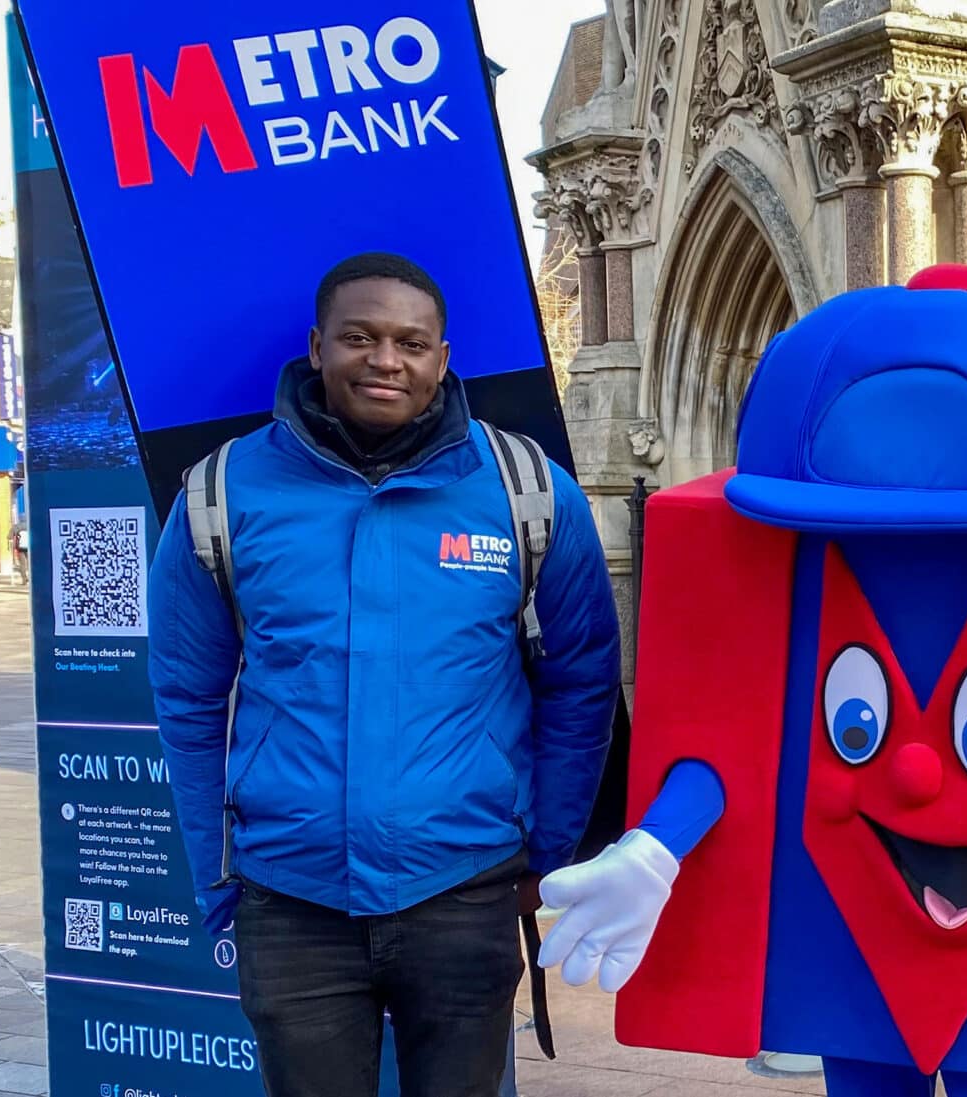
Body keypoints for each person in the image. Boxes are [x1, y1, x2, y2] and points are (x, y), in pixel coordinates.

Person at [147, 253, 622, 1097]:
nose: (385, 360)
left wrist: (544, 853)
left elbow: (582, 683)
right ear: (317, 346)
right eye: (359, 337)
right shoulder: (222, 492)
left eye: (411, 341)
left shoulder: (527, 492)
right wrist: (215, 868)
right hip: (291, 900)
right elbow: (187, 695)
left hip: (464, 889)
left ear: (443, 356)